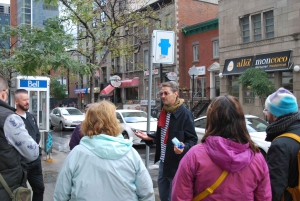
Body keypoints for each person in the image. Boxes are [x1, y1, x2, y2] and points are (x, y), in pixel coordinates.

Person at [172, 95, 272, 201]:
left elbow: (179, 196)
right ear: (241, 120)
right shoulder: (257, 158)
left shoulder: (194, 156)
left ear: (211, 120)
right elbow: (264, 197)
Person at [54, 101, 154, 201]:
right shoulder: (131, 154)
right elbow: (146, 193)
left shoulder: (76, 154)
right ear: (115, 122)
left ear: (88, 123)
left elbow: (61, 194)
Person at [135, 81, 198, 201]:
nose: (163, 96)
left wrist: (183, 148)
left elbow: (192, 140)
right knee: (163, 196)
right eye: (161, 93)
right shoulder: (164, 112)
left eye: (166, 93)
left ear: (175, 94)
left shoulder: (185, 114)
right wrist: (150, 137)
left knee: (174, 197)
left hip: (177, 165)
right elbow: (162, 135)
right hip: (163, 163)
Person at [0, 75, 39, 200]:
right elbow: (32, 152)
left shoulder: (31, 117)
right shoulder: (9, 118)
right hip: (7, 186)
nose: (27, 102)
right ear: (4, 94)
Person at [265, 87, 300, 201]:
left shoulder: (280, 145)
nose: (266, 115)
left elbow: (274, 189)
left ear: (275, 115)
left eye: (267, 111)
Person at [14, 89, 45, 201]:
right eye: (24, 100)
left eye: (28, 99)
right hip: (22, 164)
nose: (27, 102)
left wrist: (38, 152)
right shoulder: (13, 120)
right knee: (21, 193)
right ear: (16, 101)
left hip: (35, 163)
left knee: (39, 189)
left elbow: (37, 135)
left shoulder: (31, 117)